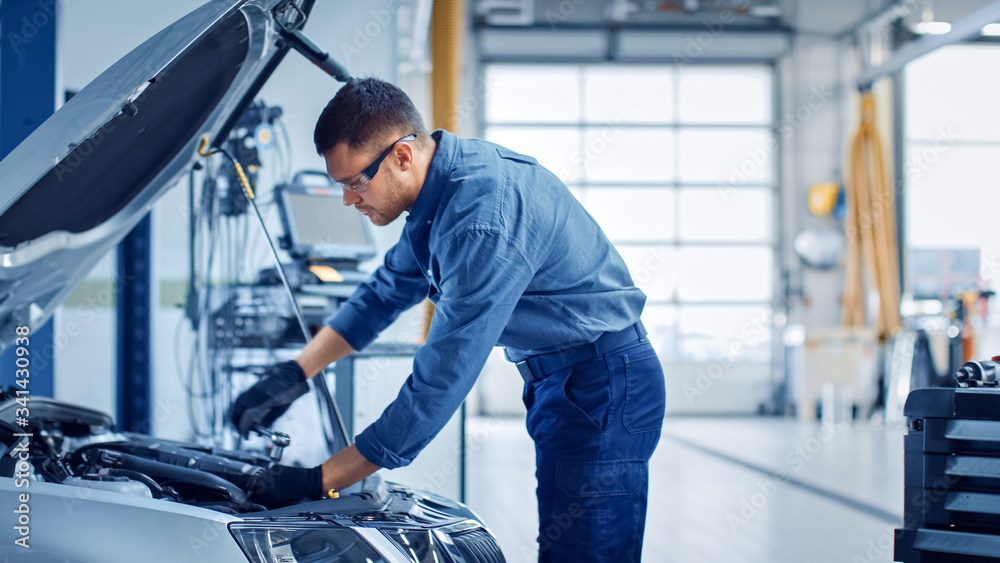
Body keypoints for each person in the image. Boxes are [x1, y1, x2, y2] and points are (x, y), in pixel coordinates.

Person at [230, 77, 666, 562]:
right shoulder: (437, 196)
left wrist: (320, 480)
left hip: (603, 384)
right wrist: (293, 374)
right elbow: (383, 294)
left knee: (584, 555)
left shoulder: (482, 217)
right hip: (564, 382)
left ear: (401, 156)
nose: (350, 200)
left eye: (356, 182)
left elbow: (441, 380)